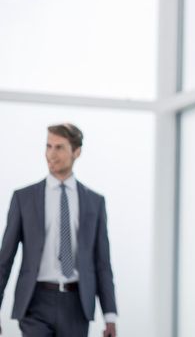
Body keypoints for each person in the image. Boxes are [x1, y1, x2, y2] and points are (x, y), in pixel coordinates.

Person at [0, 123, 117, 337]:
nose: (51, 154)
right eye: (48, 146)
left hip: (77, 304)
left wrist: (109, 315)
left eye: (59, 147)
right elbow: (4, 259)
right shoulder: (24, 198)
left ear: (76, 152)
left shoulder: (94, 202)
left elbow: (102, 262)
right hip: (35, 301)